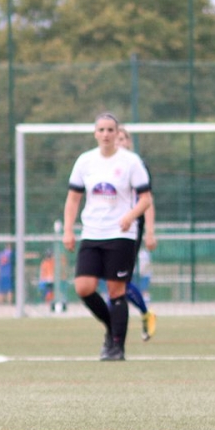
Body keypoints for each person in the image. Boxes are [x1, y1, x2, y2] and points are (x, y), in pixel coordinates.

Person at [63, 112, 152, 361]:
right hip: (92, 233)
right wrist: (68, 229)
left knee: (116, 291)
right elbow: (73, 199)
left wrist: (130, 216)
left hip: (121, 235)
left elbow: (146, 199)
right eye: (101, 130)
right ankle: (112, 329)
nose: (106, 134)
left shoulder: (131, 162)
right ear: (95, 133)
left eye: (110, 130)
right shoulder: (85, 161)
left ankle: (116, 347)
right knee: (84, 287)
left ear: (117, 133)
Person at [115, 127, 158, 341]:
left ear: (129, 142)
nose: (119, 142)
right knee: (114, 282)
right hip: (109, 227)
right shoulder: (103, 166)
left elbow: (147, 201)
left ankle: (118, 330)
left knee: (118, 281)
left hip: (131, 228)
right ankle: (144, 314)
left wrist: (150, 231)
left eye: (123, 138)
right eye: (116, 139)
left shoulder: (137, 166)